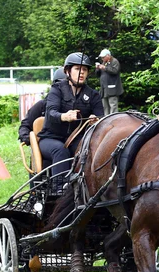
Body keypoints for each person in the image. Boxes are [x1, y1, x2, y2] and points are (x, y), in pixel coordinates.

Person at [38, 52, 104, 183]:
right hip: (50, 138)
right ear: (67, 71)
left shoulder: (93, 95)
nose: (81, 73)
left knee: (87, 150)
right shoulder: (56, 89)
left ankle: (87, 189)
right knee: (60, 150)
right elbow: (51, 112)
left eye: (84, 70)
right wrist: (64, 116)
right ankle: (60, 190)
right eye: (77, 69)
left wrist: (96, 120)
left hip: (76, 138)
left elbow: (101, 117)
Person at [18, 68, 66, 146]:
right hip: (47, 144)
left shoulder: (78, 105)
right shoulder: (42, 105)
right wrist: (29, 139)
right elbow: (25, 125)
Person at [95, 49, 123, 115]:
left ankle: (114, 120)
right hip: (104, 89)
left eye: (103, 57)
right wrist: (97, 68)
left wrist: (104, 68)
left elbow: (115, 71)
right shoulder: (104, 62)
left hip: (112, 89)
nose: (102, 58)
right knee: (105, 107)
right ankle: (106, 120)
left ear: (108, 56)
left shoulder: (114, 61)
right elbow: (98, 74)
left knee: (113, 106)